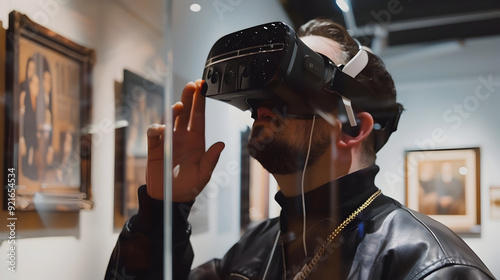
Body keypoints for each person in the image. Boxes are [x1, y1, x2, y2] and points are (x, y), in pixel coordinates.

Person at [105, 19, 495, 279]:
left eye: (299, 79)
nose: (263, 105)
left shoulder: (429, 266)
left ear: (353, 127)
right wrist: (162, 210)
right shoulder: (254, 249)